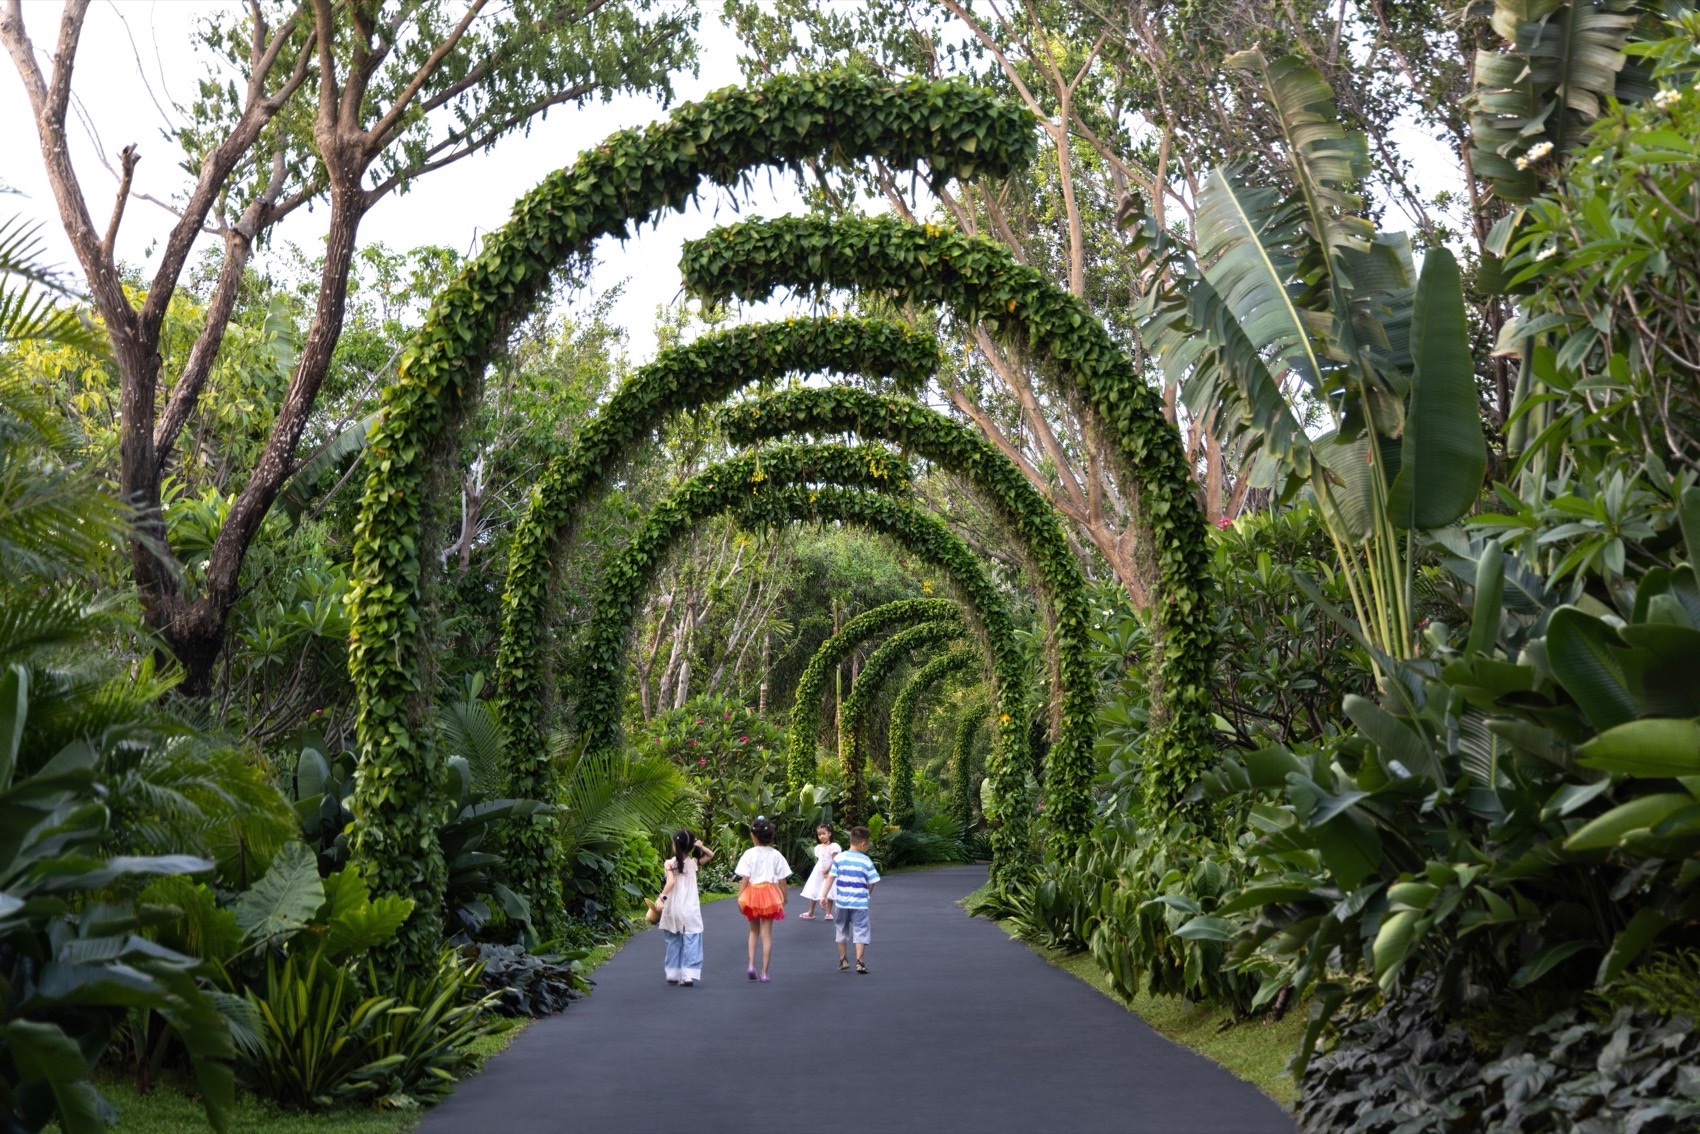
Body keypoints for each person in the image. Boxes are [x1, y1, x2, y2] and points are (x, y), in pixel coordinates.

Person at [734, 816, 791, 982]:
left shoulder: (749, 854)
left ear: (753, 836)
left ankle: (751, 964)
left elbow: (745, 879)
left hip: (752, 894)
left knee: (753, 931)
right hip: (770, 894)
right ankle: (764, 972)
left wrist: (740, 898)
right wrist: (784, 898)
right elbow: (782, 880)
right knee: (767, 935)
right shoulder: (776, 855)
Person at [656, 828, 712, 986]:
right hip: (690, 909)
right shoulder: (693, 863)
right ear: (690, 846)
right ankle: (687, 974)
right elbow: (710, 855)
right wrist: (700, 847)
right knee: (692, 939)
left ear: (675, 845)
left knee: (673, 940)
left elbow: (671, 882)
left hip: (673, 908)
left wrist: (661, 898)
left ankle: (673, 973)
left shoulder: (669, 863)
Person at [826, 825, 880, 974]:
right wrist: (867, 894)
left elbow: (831, 877)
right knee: (861, 930)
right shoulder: (866, 860)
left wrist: (823, 895)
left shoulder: (840, 858)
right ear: (863, 844)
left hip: (842, 902)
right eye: (868, 844)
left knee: (841, 930)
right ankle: (859, 962)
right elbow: (872, 881)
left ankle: (843, 959)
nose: (868, 847)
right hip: (859, 903)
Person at [798, 823, 841, 920]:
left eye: (824, 833)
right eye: (819, 834)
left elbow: (834, 860)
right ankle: (811, 911)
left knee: (829, 891)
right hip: (819, 870)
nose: (821, 836)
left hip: (830, 870)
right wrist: (821, 870)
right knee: (814, 889)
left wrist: (827, 870)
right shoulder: (818, 847)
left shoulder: (834, 846)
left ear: (829, 833)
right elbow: (820, 860)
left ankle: (828, 913)